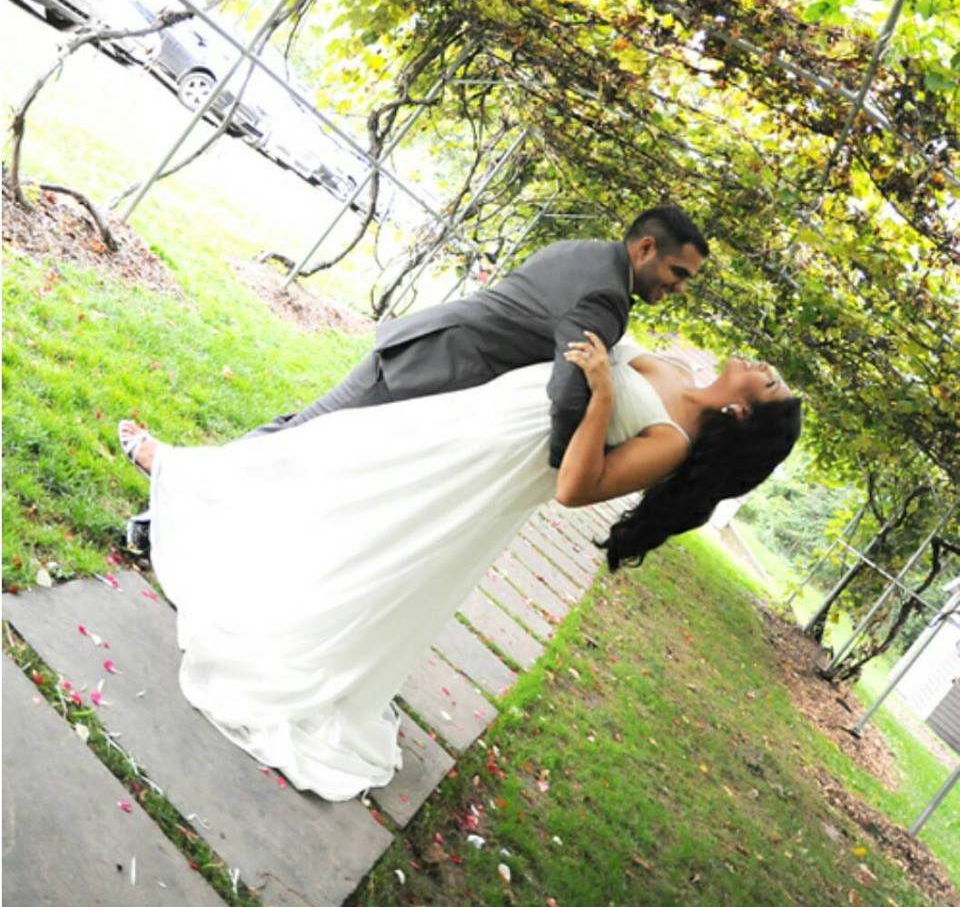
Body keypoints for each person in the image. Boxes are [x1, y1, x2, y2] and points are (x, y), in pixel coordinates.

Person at [116, 332, 801, 802]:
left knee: (370, 514)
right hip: (483, 413)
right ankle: (199, 488)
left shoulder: (672, 443)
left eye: (765, 381)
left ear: (741, 409)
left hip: (496, 466)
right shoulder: (677, 366)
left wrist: (598, 395)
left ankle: (182, 483)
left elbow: (575, 488)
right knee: (338, 458)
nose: (759, 362)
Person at [124, 206, 708, 552]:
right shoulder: (607, 296)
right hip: (425, 366)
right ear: (647, 247)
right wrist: (562, 457)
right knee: (298, 441)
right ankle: (167, 502)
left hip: (431, 355)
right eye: (677, 273)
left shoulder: (586, 252)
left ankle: (177, 503)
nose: (677, 287)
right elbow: (568, 386)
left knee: (304, 442)